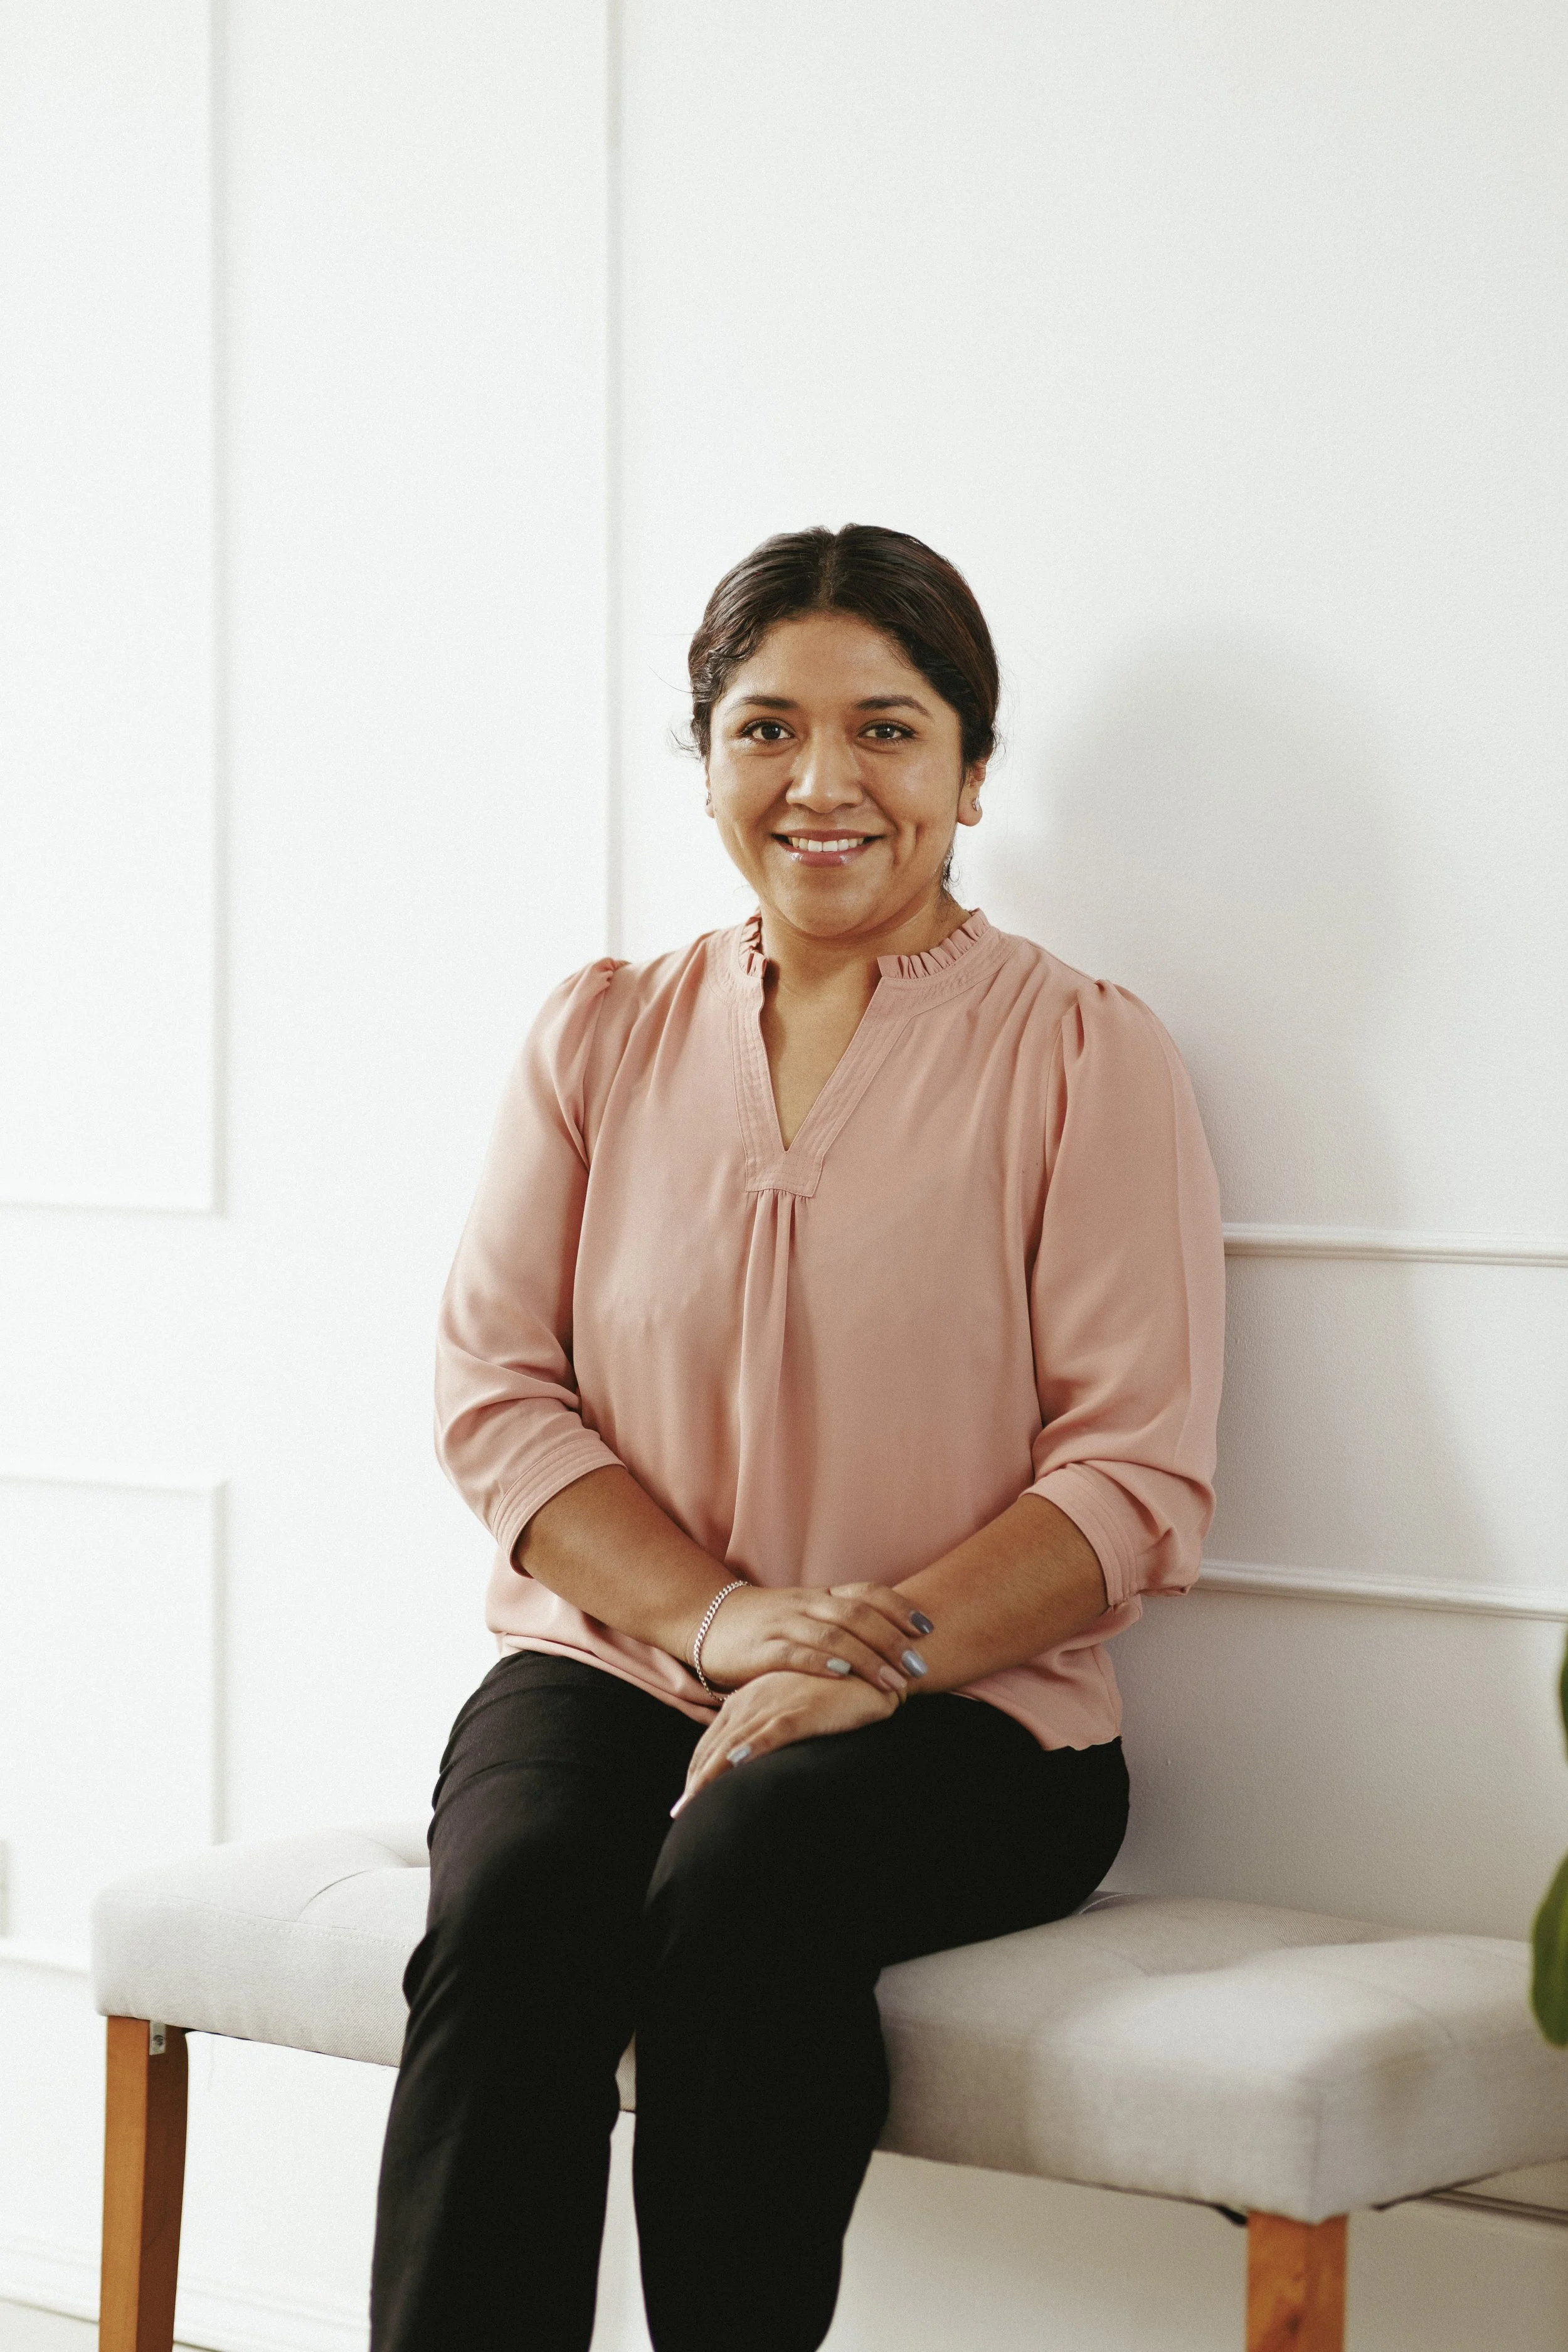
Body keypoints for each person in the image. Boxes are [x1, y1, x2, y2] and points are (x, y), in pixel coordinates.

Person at [369, 524, 1226, 2352]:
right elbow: (495, 1390)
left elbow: (1130, 1473)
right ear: (706, 764)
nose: (822, 782)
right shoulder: (596, 1034)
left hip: (977, 1716)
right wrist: (716, 1621)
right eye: (764, 729)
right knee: (516, 1909)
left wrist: (872, 1650)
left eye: (888, 731)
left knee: (745, 1878)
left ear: (971, 773)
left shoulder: (1083, 1053)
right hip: (615, 1667)